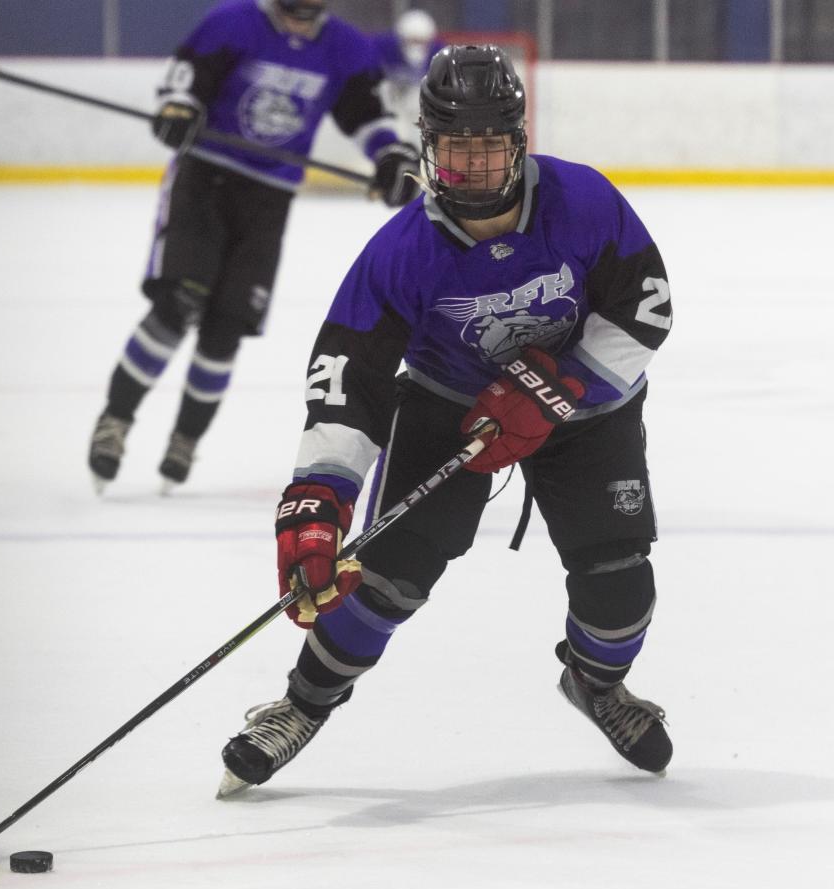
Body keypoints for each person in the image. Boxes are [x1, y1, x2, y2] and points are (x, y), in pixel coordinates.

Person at [217, 44, 674, 798]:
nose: (474, 169)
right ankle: (300, 705)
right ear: (429, 148)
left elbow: (647, 306)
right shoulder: (401, 251)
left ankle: (598, 684)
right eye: (456, 152)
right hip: (452, 409)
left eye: (490, 150)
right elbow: (347, 384)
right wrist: (318, 498)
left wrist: (559, 385)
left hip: (588, 410)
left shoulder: (584, 200)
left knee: (620, 584)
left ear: (519, 142)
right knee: (387, 578)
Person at [88, 0, 421, 493]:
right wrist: (179, 109)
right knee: (177, 306)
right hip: (205, 180)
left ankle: (185, 437)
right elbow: (185, 83)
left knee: (227, 326)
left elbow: (367, 116)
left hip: (269, 200)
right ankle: (115, 421)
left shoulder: (344, 48)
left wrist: (392, 156)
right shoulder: (232, 23)